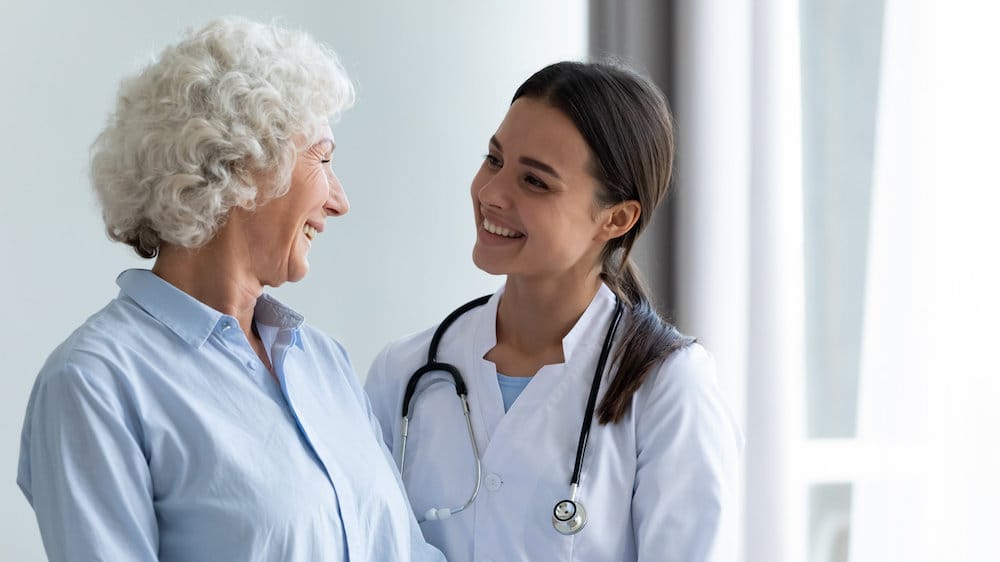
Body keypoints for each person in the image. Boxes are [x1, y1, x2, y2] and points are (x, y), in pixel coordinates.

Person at [16, 17, 443, 562]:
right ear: (243, 163)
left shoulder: (321, 362)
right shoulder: (95, 382)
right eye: (324, 159)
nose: (339, 200)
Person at [364, 61, 743, 561]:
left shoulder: (669, 390)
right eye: (494, 160)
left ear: (615, 218)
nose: (491, 194)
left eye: (535, 182)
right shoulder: (405, 373)